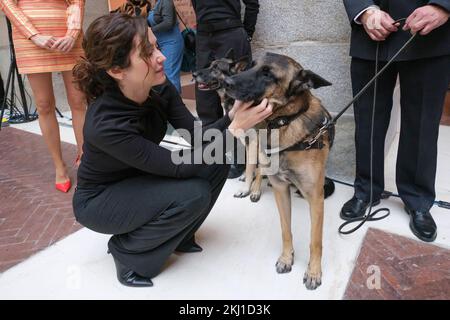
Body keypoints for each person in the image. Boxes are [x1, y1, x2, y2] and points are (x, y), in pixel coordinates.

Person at [72, 13, 272, 287]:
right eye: (146, 51)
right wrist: (235, 129)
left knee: (216, 163)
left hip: (139, 178)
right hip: (101, 200)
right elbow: (180, 166)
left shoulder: (158, 88)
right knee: (192, 194)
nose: (161, 57)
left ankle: (179, 235)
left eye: (155, 46)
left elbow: (197, 138)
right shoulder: (106, 123)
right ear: (117, 70)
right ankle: (127, 251)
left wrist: (232, 116)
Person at [341, 0, 450, 242]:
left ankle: (418, 198)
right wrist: (364, 10)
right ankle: (366, 190)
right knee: (367, 120)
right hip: (371, 36)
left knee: (422, 125)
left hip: (430, 36)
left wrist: (443, 6)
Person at [0, 0, 87, 192]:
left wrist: (72, 33)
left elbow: (77, 1)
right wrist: (33, 35)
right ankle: (59, 166)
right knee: (44, 104)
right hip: (30, 39)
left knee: (79, 101)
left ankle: (85, 160)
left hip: (68, 34)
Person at [192, 0, 260, 179]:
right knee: (205, 100)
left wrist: (247, 33)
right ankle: (212, 155)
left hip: (231, 33)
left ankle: (240, 158)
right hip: (204, 35)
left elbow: (252, 3)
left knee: (238, 100)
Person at [147, 0, 184, 92]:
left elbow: (168, 23)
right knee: (164, 74)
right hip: (160, 44)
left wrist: (151, 30)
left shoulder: (165, 1)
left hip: (172, 43)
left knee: (170, 74)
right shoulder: (153, 3)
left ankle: (175, 103)